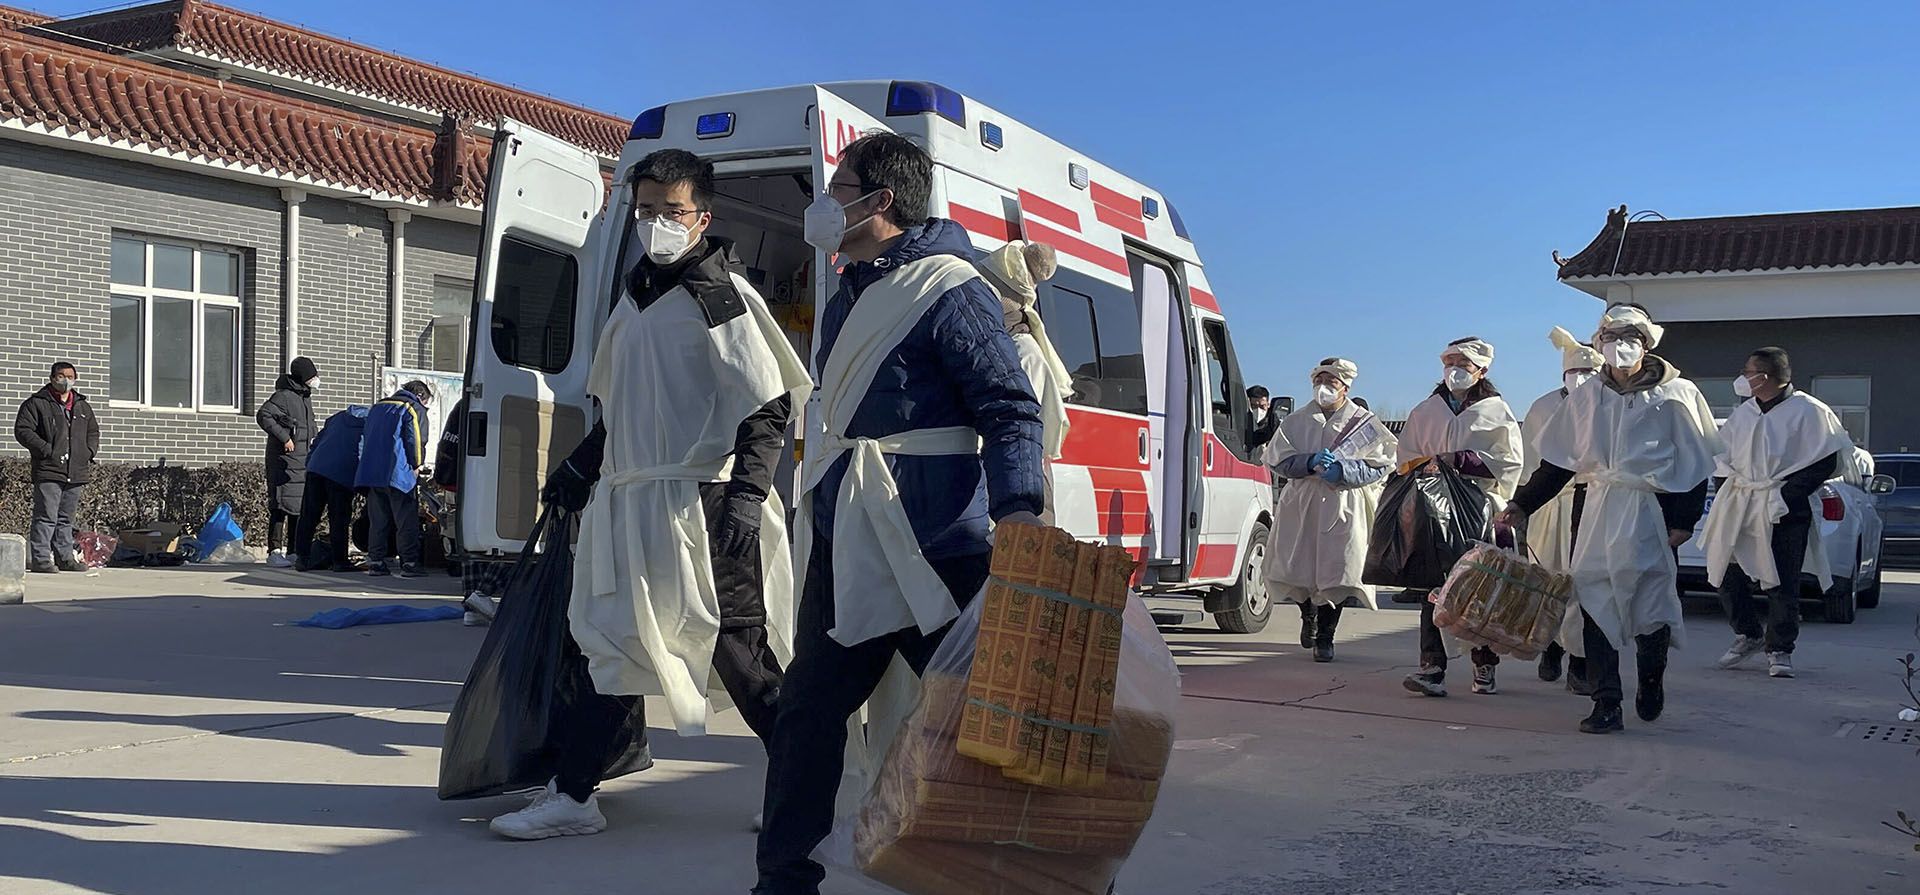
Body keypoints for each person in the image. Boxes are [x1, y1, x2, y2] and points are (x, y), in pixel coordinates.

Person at [486, 149, 810, 841]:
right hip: (632, 501)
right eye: (645, 210)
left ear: (703, 217)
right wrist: (583, 463)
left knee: (740, 654)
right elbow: (627, 406)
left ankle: (805, 786)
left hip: (705, 504)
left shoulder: (720, 294)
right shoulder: (635, 296)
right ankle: (576, 794)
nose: (656, 222)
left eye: (672, 211)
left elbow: (768, 405)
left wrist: (749, 496)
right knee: (614, 642)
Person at [753, 133, 1045, 895]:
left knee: (981, 728)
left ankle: (1055, 874)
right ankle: (782, 880)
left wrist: (1019, 512)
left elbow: (1012, 409)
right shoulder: (852, 285)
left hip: (937, 545)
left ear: (879, 201)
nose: (825, 201)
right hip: (851, 539)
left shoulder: (952, 287)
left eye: (838, 184)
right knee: (807, 715)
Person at [1500, 304, 1719, 734]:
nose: (1621, 346)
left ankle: (1651, 679)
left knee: (1651, 604)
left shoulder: (1677, 395)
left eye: (1631, 337)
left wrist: (1684, 521)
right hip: (1596, 506)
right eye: (1612, 336)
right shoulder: (1588, 396)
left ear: (1646, 344)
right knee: (1594, 602)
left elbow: (1695, 464)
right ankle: (1606, 701)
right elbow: (1560, 460)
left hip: (1650, 511)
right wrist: (1523, 503)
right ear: (1600, 343)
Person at [1701, 347, 1849, 680]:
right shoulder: (1745, 413)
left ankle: (1780, 648)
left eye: (1748, 371)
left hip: (1782, 507)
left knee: (1781, 579)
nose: (1743, 377)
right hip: (1741, 502)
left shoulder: (1809, 411)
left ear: (1764, 377)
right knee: (1726, 570)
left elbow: (1825, 459)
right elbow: (1722, 454)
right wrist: (1727, 485)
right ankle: (1748, 633)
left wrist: (1787, 493)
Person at [1394, 337, 1524, 697]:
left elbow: (1509, 461)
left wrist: (1460, 460)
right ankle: (1431, 667)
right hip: (1433, 510)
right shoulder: (1426, 410)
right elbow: (1405, 455)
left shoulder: (1496, 411)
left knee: (1477, 587)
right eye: (1449, 362)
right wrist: (1426, 466)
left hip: (1477, 508)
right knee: (1431, 587)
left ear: (1481, 370)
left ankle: (1483, 664)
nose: (1454, 370)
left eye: (1463, 364)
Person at [1263, 358, 1396, 662]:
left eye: (1331, 382)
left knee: (1338, 571)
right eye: (1319, 381)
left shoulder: (1363, 423)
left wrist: (1344, 471)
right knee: (1299, 566)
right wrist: (1307, 462)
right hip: (1303, 502)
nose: (1323, 388)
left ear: (1345, 387)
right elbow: (1277, 459)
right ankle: (1307, 613)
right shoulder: (1297, 421)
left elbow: (1381, 464)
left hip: (1343, 502)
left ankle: (1326, 634)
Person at [1521, 328, 1604, 694]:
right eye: (1574, 372)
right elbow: (1530, 460)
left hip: (1590, 504)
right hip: (1547, 506)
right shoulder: (1542, 407)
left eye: (1588, 372)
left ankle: (1581, 662)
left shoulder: (1606, 405)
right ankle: (1550, 647)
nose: (1580, 379)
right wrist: (1521, 505)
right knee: (1547, 580)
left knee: (1582, 586)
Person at [977, 239, 1069, 522]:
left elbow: (1021, 422)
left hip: (1019, 468)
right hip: (1008, 467)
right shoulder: (1000, 344)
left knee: (1026, 553)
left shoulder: (1022, 352)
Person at [14, 362, 99, 574]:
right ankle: (41, 559)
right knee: (46, 516)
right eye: (61, 376)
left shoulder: (82, 406)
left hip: (76, 470)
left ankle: (65, 557)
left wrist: (88, 452)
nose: (66, 380)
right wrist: (46, 450)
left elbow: (93, 432)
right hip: (49, 469)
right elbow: (23, 430)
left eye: (70, 376)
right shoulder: (37, 403)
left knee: (66, 519)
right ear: (52, 378)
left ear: (75, 379)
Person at [354, 380, 432, 577]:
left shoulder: (378, 407)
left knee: (378, 520)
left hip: (372, 472)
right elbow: (416, 440)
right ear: (421, 396)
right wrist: (416, 465)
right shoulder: (412, 408)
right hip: (399, 473)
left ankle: (376, 561)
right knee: (406, 520)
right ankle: (410, 563)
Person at [257, 357, 318, 567]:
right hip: (283, 461)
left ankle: (293, 550)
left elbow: (309, 428)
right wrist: (285, 438)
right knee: (279, 505)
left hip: (301, 461)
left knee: (297, 507)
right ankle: (274, 550)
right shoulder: (283, 396)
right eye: (311, 376)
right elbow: (264, 415)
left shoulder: (304, 398)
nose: (315, 380)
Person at [293, 403, 367, 573]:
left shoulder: (336, 418)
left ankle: (302, 558)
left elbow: (317, 442)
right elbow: (367, 452)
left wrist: (310, 464)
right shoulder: (369, 423)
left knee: (309, 515)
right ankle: (339, 561)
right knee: (339, 518)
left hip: (317, 468)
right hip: (343, 471)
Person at [1247, 385, 1281, 454]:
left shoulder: (1273, 424)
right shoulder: (1240, 419)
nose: (1258, 410)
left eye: (1262, 406)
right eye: (1254, 406)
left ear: (1268, 405)